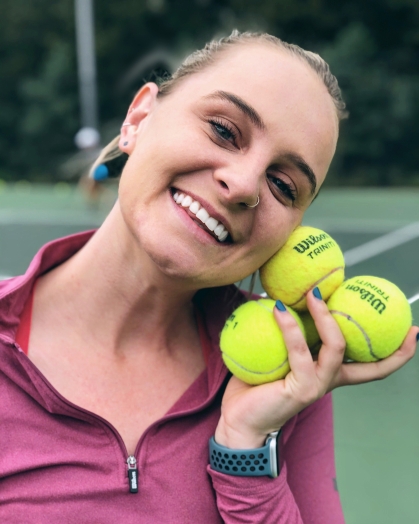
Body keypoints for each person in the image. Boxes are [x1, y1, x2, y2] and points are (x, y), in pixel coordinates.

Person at [0, 30, 417, 523]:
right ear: (139, 118)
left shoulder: (286, 377)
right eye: (223, 130)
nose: (242, 185)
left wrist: (244, 451)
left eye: (283, 185)